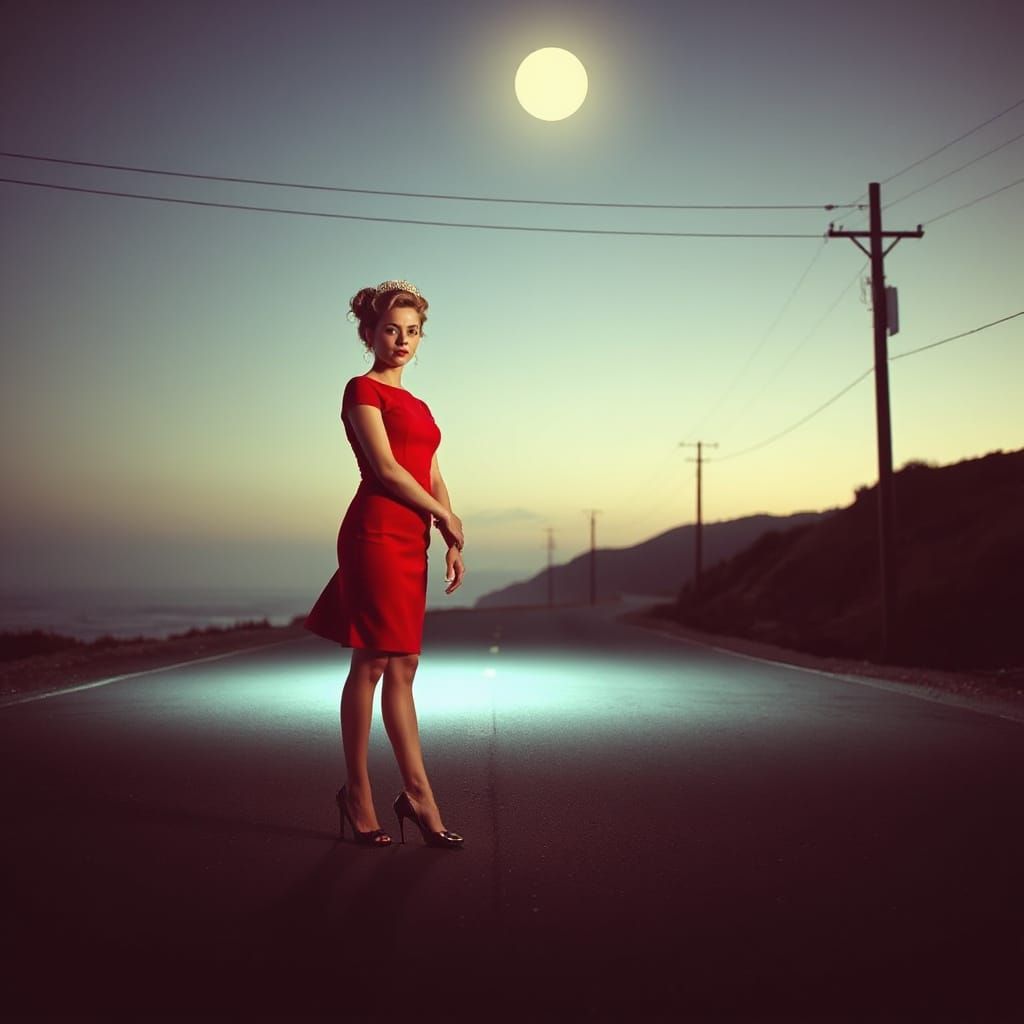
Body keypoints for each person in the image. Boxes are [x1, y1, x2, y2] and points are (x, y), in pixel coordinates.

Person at [304, 279, 466, 849]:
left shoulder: (419, 406)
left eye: (412, 331)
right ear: (369, 333)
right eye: (391, 330)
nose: (402, 340)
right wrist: (444, 518)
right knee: (371, 663)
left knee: (405, 667)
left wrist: (448, 526)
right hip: (374, 532)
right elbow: (388, 470)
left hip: (412, 539)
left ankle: (417, 796)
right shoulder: (361, 390)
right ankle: (359, 793)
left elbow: (431, 472)